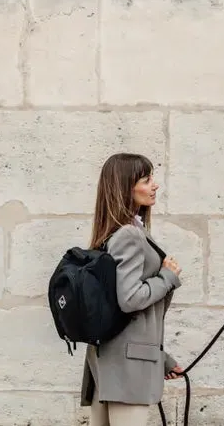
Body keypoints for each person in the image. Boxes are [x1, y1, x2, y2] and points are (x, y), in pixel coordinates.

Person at [79, 152, 184, 426]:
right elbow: (130, 299)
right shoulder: (128, 235)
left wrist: (161, 358)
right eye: (146, 179)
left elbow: (122, 315)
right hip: (126, 372)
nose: (155, 185)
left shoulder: (114, 233)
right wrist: (167, 276)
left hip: (111, 363)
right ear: (126, 187)